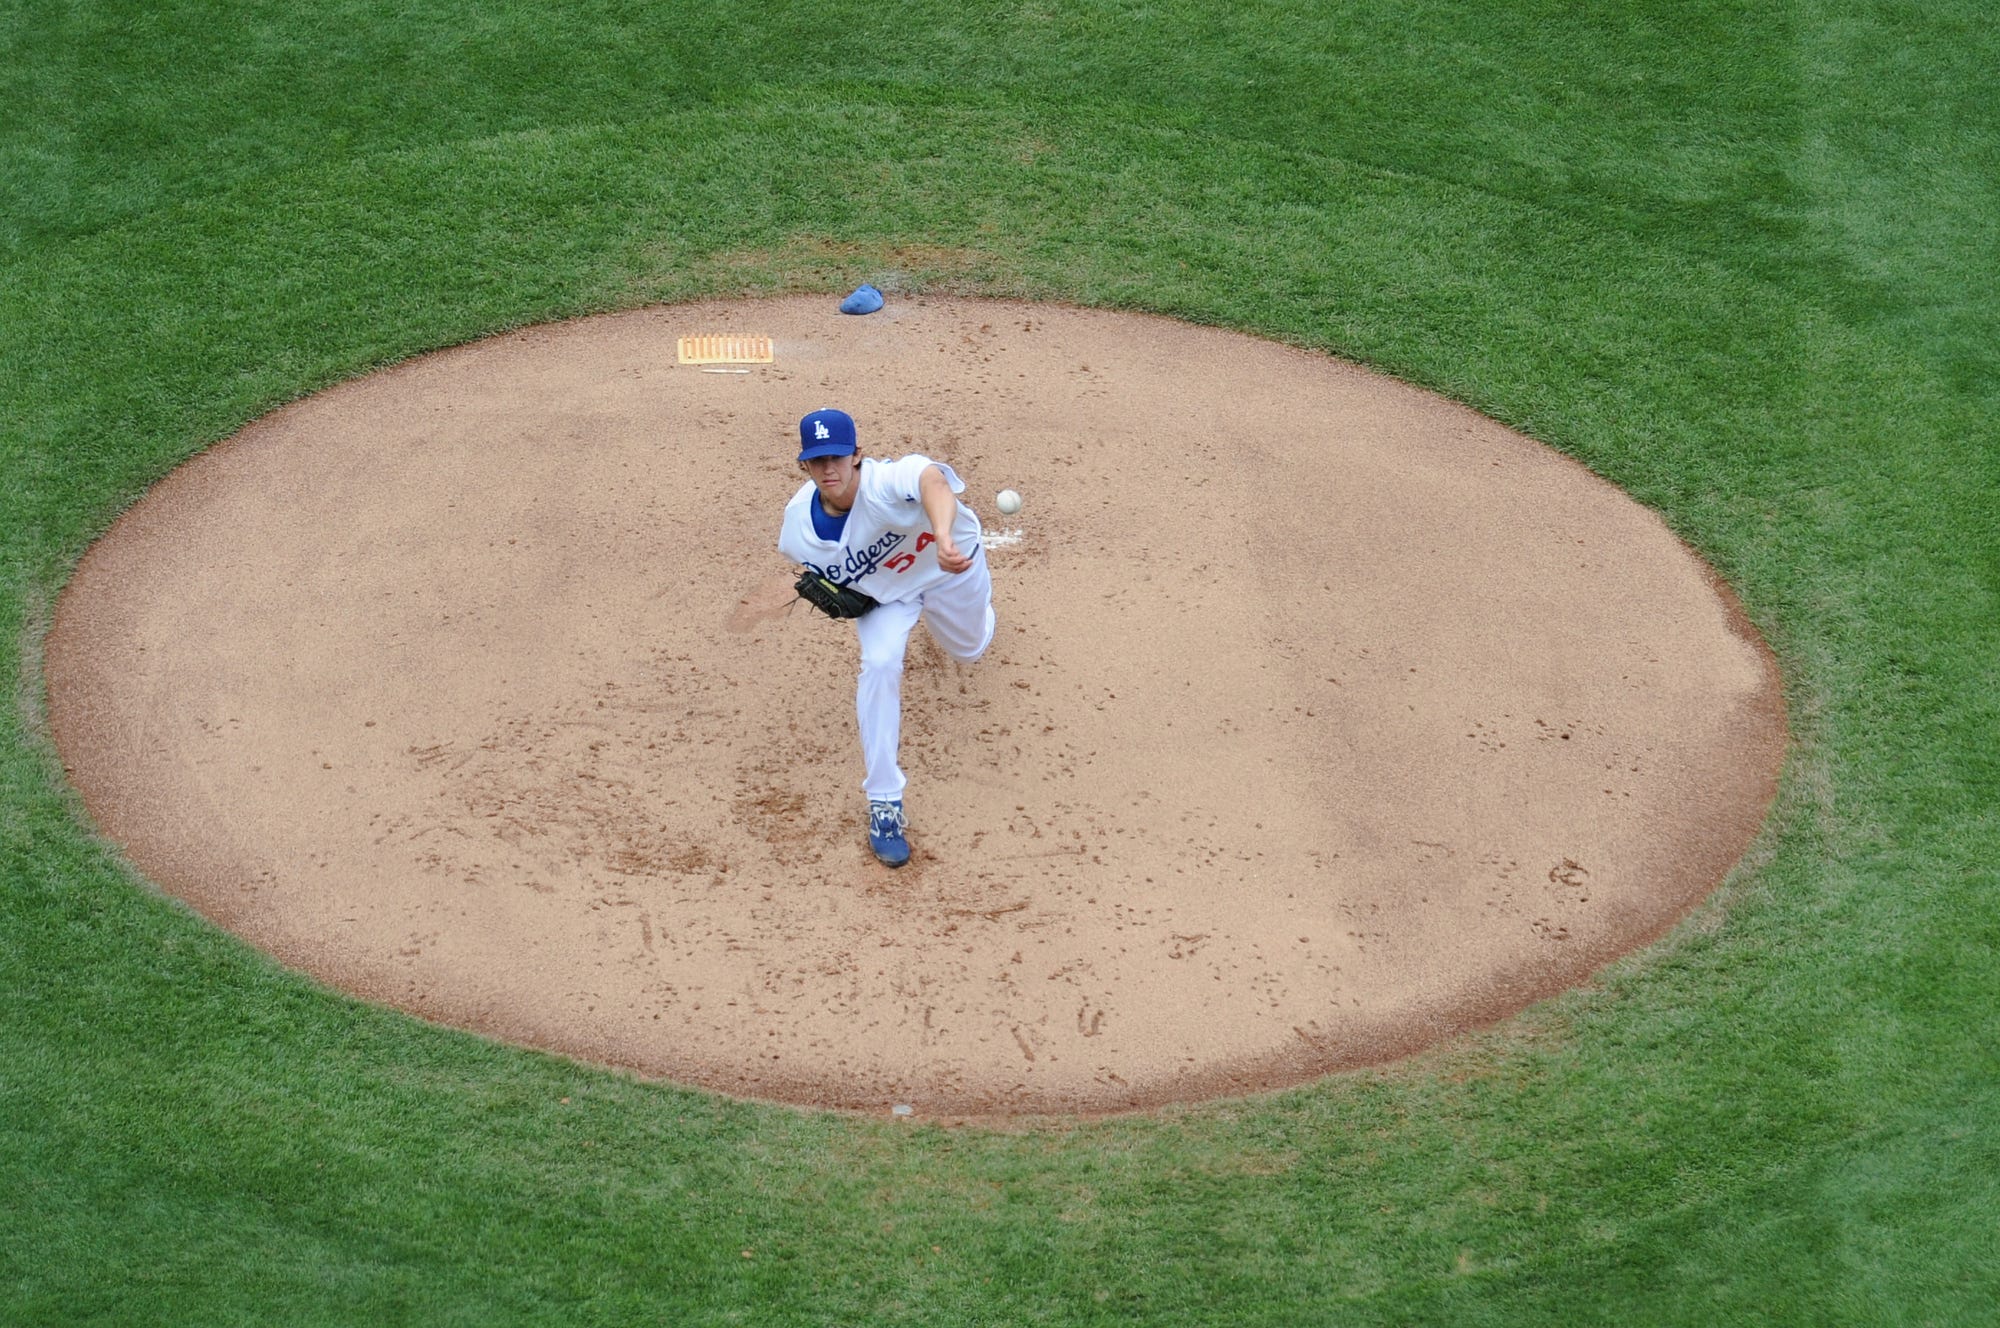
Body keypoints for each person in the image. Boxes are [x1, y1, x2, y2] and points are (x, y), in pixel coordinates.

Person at [778, 407, 995, 867]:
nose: (828, 469)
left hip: (946, 570)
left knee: (970, 648)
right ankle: (884, 803)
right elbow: (820, 573)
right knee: (878, 665)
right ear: (804, 465)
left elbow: (933, 481)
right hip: (887, 599)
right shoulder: (797, 531)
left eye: (837, 456)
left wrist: (941, 536)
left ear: (857, 454)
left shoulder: (888, 480)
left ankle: (982, 615)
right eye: (817, 461)